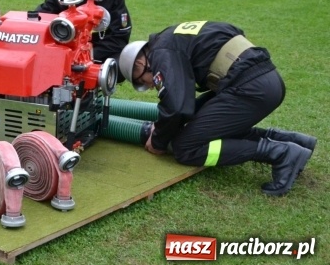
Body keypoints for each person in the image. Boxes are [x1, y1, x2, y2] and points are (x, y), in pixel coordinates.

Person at [119, 22, 316, 196]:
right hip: (263, 80)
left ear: (139, 64)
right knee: (202, 121)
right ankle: (292, 141)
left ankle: (280, 153)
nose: (151, 85)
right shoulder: (174, 38)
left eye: (142, 81)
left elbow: (176, 107)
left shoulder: (161, 52)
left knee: (185, 147)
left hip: (249, 90)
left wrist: (158, 140)